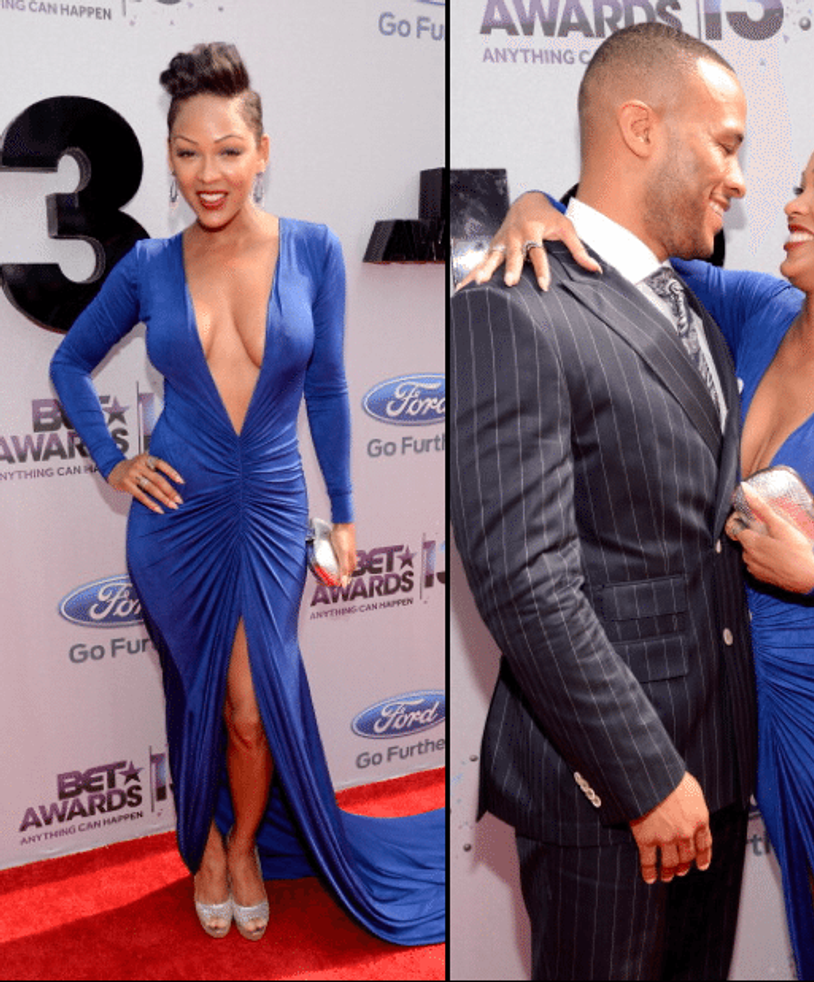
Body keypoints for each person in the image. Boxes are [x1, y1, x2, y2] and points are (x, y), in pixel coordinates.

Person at [464, 82, 814, 980]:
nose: (789, 202)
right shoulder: (752, 309)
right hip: (755, 699)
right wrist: (537, 204)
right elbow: (618, 240)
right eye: (802, 183)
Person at [50, 42, 444, 945]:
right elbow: (71, 362)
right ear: (170, 157)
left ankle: (244, 846)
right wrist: (114, 460)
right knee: (202, 698)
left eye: (228, 151)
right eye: (188, 153)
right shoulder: (149, 264)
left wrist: (346, 511)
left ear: (262, 152)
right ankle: (213, 848)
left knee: (250, 709)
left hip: (269, 509)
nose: (208, 174)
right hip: (174, 519)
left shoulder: (312, 249)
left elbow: (330, 389)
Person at [451, 24, 758, 981]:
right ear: (640, 127)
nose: (740, 178)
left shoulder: (695, 304)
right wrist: (646, 777)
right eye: (726, 144)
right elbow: (525, 582)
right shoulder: (511, 307)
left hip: (715, 771)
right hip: (610, 795)